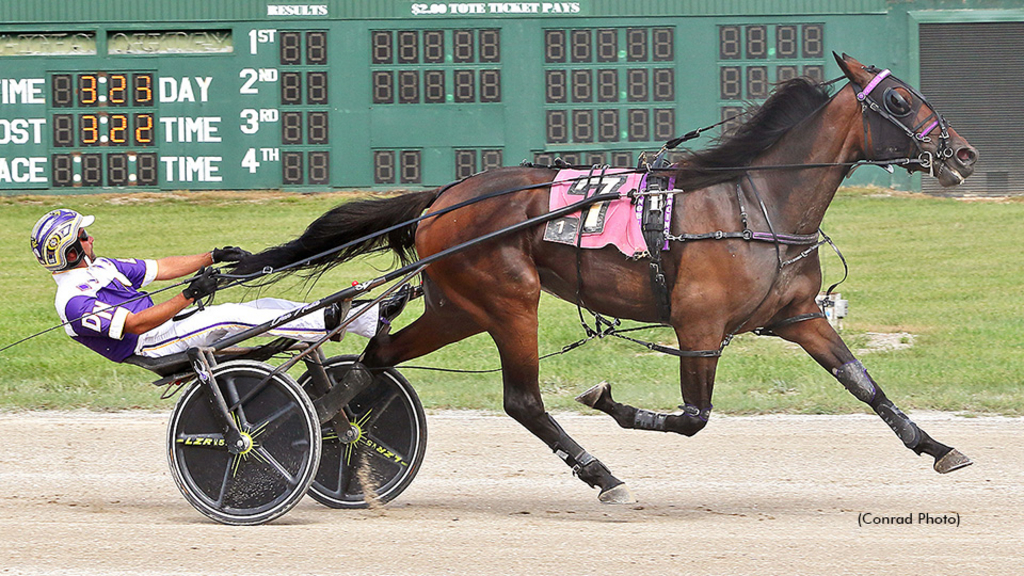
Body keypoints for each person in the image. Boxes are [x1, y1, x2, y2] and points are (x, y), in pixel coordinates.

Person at [31, 209, 406, 363]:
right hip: (155, 344)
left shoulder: (103, 267)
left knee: (264, 306)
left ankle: (368, 319)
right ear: (69, 249)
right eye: (83, 235)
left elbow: (162, 268)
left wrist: (211, 256)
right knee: (231, 315)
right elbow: (136, 325)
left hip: (171, 328)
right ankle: (334, 320)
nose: (90, 237)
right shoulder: (72, 302)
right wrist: (189, 295)